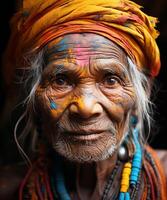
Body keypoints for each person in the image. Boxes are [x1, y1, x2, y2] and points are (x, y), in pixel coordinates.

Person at [0, 0, 166, 199]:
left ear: (144, 91)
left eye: (110, 80)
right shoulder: (9, 189)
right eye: (60, 80)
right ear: (34, 97)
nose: (86, 108)